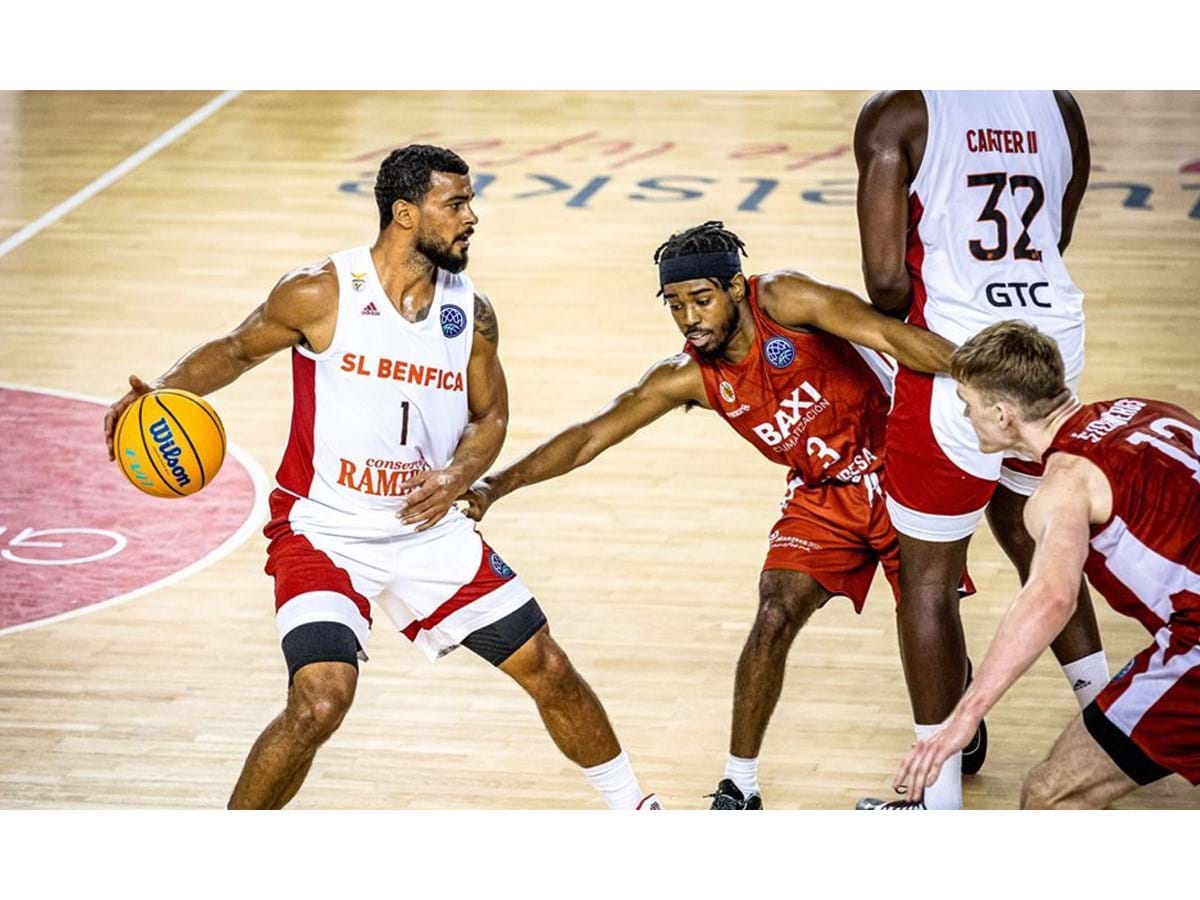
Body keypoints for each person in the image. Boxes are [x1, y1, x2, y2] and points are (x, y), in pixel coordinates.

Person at [102, 145, 660, 811]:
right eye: (455, 203)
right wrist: (156, 392)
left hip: (426, 530)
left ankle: (638, 813)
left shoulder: (471, 313)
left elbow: (491, 416)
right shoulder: (320, 292)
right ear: (405, 214)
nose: (471, 216)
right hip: (324, 531)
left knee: (550, 667)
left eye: (469, 201)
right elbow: (233, 351)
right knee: (319, 702)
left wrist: (458, 475)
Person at [460, 220, 957, 809]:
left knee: (926, 619)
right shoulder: (689, 375)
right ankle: (739, 785)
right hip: (822, 492)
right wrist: (494, 485)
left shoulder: (785, 299)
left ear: (737, 289)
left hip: (898, 468)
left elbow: (889, 336)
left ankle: (955, 720)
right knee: (774, 609)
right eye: (675, 305)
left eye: (701, 299)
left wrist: (988, 374)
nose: (689, 317)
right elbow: (591, 435)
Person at [854, 90, 1108, 809]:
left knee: (928, 580)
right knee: (1043, 538)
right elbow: (1055, 231)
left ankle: (933, 803)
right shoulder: (1059, 105)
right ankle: (1106, 713)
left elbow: (883, 281)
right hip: (1052, 349)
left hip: (955, 360)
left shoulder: (902, 110)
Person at [894, 320, 1200, 808]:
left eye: (967, 404)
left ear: (1001, 414)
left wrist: (965, 716)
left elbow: (1053, 596)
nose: (965, 415)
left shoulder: (1063, 486)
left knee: (1049, 796)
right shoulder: (1149, 411)